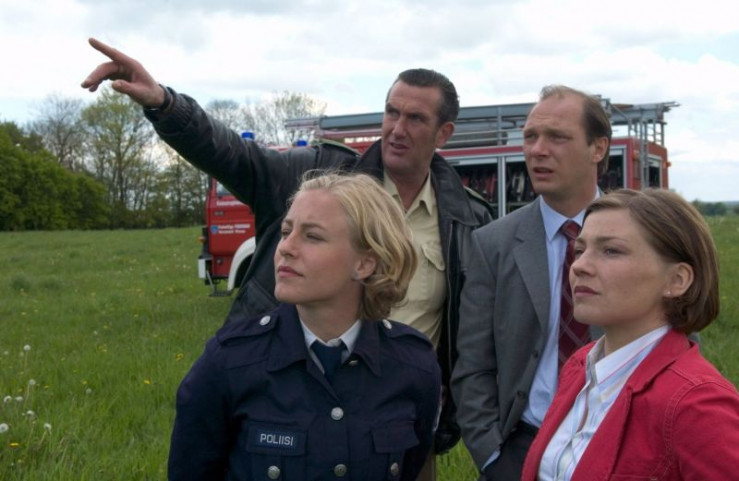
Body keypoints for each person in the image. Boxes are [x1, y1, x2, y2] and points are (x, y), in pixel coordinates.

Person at [82, 38, 492, 475]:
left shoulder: (470, 221)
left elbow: (475, 333)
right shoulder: (317, 178)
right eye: (392, 112)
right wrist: (164, 105)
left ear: (444, 132)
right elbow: (235, 156)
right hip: (291, 400)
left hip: (395, 416)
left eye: (415, 118)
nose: (397, 128)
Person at [168, 172, 441, 481]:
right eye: (286, 231)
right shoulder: (229, 362)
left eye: (312, 236)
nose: (286, 247)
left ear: (364, 263)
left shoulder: (414, 366)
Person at [521, 188, 739, 480]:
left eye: (611, 250)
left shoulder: (698, 405)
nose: (580, 266)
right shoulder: (580, 365)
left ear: (677, 280)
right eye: (580, 250)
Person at [451, 85, 611, 480]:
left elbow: (676, 349)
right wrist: (492, 456)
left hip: (617, 443)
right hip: (522, 450)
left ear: (598, 148)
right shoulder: (493, 244)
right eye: (530, 137)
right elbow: (472, 364)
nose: (537, 150)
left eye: (557, 137)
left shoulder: (645, 237)